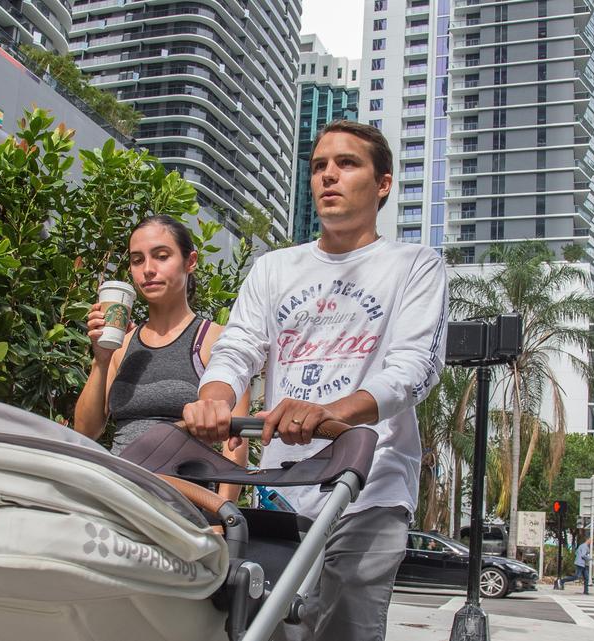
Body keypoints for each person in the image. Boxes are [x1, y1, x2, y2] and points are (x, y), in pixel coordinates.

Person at [181, 120, 448, 641]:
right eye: (319, 166)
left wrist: (334, 414)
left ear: (383, 183)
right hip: (285, 485)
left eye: (346, 164)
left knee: (347, 622)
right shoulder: (274, 268)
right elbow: (238, 347)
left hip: (369, 483)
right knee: (274, 626)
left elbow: (415, 368)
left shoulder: (414, 265)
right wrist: (214, 398)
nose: (328, 175)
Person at [73, 215, 250, 499]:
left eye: (161, 256)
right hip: (117, 496)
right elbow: (86, 431)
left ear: (190, 261)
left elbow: (235, 441)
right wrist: (101, 359)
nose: (148, 270)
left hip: (181, 507)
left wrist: (224, 517)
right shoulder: (123, 343)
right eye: (137, 260)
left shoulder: (213, 340)